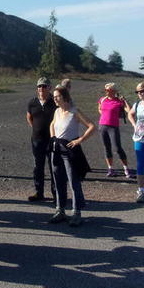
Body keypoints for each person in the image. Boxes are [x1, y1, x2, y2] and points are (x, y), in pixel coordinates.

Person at [49, 86, 95, 227]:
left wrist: (79, 140)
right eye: (54, 96)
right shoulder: (57, 111)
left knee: (74, 182)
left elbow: (92, 126)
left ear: (65, 97)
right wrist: (53, 138)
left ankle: (76, 213)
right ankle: (60, 210)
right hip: (56, 149)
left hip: (70, 151)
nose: (55, 99)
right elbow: (52, 124)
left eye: (57, 96)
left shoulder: (74, 111)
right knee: (58, 181)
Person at [25, 77, 56, 202]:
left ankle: (56, 193)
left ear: (50, 88)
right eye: (39, 86)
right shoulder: (32, 102)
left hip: (52, 139)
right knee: (38, 166)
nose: (41, 88)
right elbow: (29, 117)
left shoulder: (55, 102)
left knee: (54, 166)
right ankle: (39, 193)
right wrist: (36, 128)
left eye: (44, 86)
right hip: (37, 139)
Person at [97, 83, 132, 178]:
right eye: (106, 90)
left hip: (113, 127)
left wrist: (125, 101)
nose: (106, 92)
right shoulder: (102, 99)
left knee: (117, 148)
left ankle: (126, 169)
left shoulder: (119, 101)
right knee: (106, 148)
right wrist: (105, 115)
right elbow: (100, 109)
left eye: (108, 90)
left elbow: (129, 111)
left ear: (114, 91)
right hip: (102, 126)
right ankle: (110, 169)